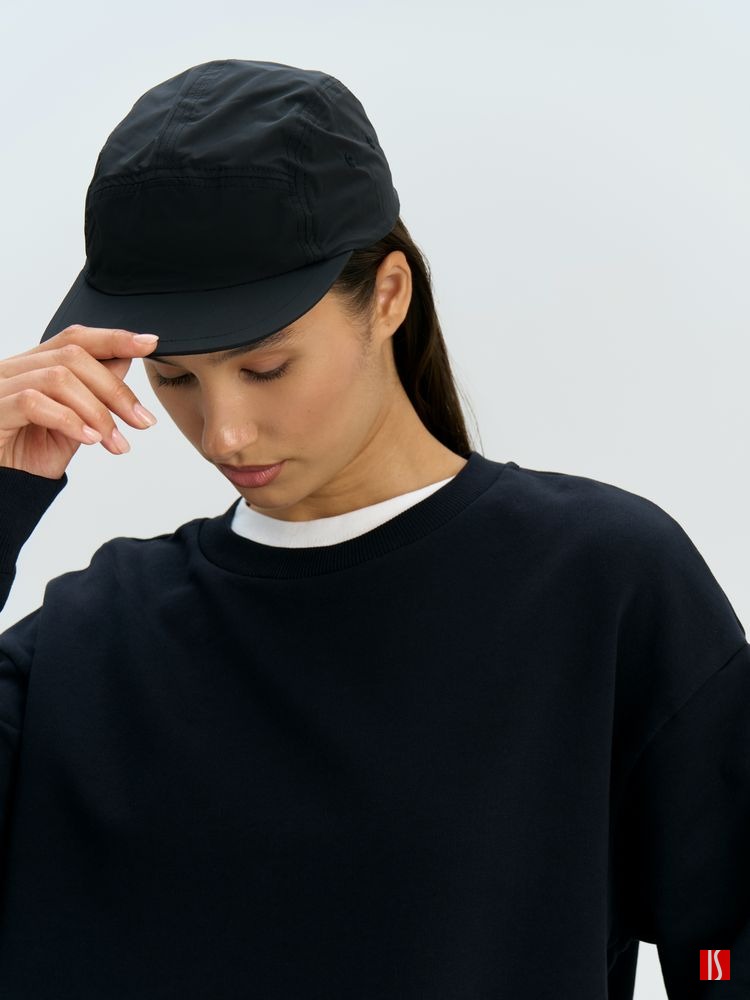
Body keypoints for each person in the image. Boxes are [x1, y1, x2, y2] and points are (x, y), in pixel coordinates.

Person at [0, 59, 747, 1000]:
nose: (223, 434)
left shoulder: (600, 584)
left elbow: (720, 946)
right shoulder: (90, 643)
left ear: (388, 295)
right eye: (176, 378)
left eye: (265, 368)